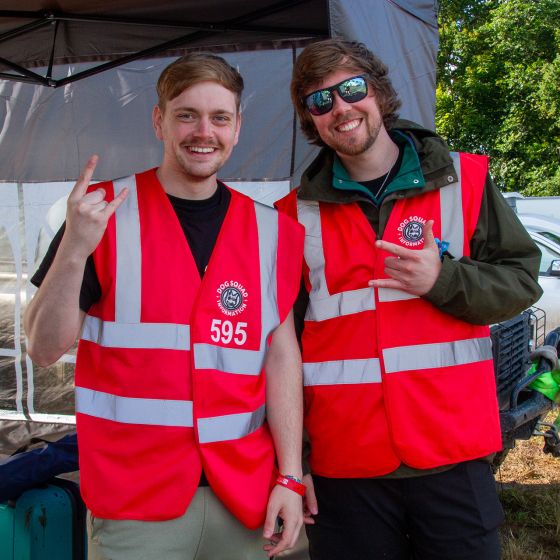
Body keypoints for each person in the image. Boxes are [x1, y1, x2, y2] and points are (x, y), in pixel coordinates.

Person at [24, 53, 305, 560]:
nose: (204, 131)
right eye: (186, 114)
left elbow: (281, 358)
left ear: (238, 128)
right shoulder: (102, 213)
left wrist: (290, 476)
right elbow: (43, 349)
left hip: (241, 496)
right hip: (135, 502)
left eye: (220, 117)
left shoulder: (274, 233)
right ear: (159, 121)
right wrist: (74, 248)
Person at [276, 39, 543, 560]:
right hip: (344, 467)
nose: (340, 109)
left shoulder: (464, 180)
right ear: (311, 120)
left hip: (452, 456)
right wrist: (295, 463)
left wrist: (443, 281)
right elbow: (283, 349)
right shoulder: (292, 215)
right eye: (320, 101)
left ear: (377, 91)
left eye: (351, 89)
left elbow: (520, 281)